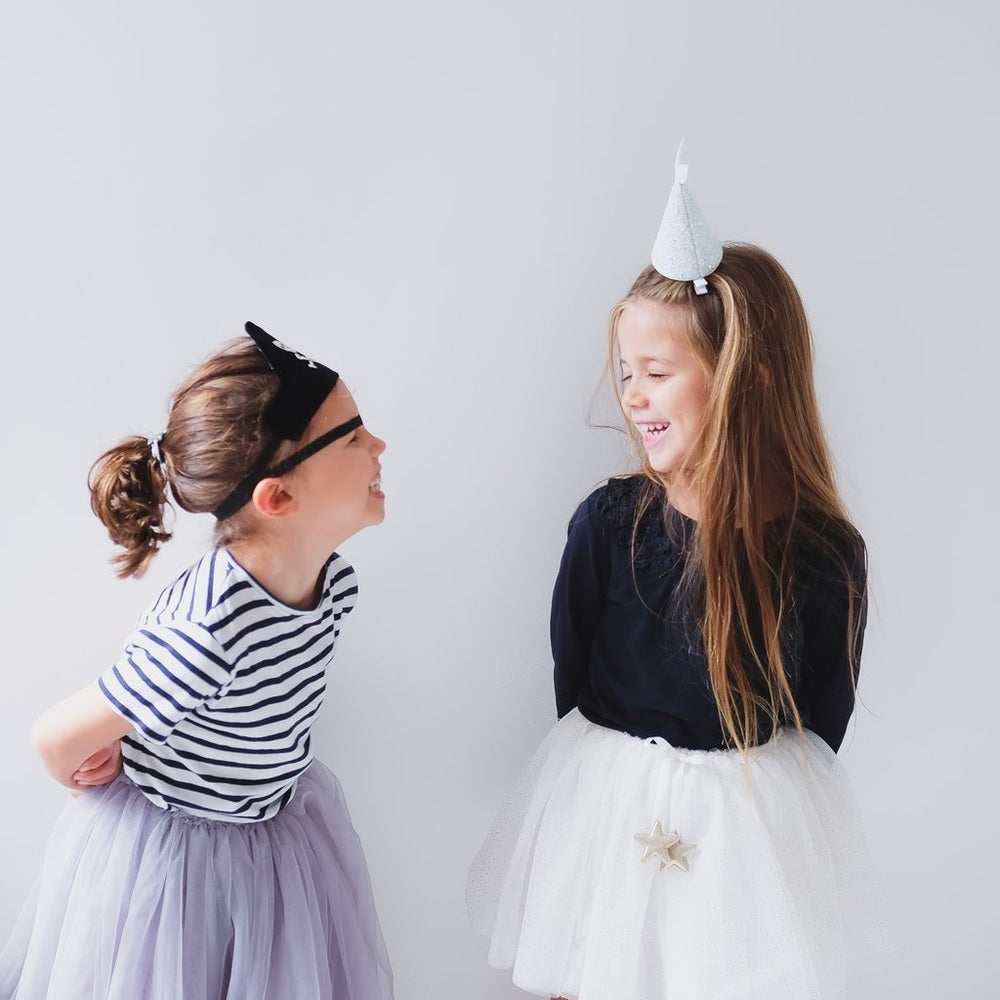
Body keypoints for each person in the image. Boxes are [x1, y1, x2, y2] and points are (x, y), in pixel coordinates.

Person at [467, 152, 889, 999]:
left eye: (658, 374)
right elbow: (573, 674)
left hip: (745, 850)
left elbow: (820, 723)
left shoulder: (823, 555)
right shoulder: (611, 526)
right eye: (627, 373)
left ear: (748, 383)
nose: (633, 396)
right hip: (607, 818)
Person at [1, 322, 395, 1000]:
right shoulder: (209, 627)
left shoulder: (334, 585)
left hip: (272, 846)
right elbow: (54, 735)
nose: (379, 446)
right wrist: (88, 767)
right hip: (177, 873)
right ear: (278, 498)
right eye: (354, 438)